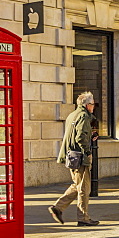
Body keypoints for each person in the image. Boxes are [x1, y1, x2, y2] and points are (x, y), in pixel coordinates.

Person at [48, 92, 100, 226]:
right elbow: (80, 137)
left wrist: (91, 135)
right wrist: (88, 152)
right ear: (88, 105)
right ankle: (83, 218)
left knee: (77, 185)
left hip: (71, 155)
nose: (94, 106)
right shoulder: (83, 116)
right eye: (93, 104)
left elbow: (77, 134)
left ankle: (58, 208)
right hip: (80, 156)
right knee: (84, 188)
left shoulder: (73, 115)